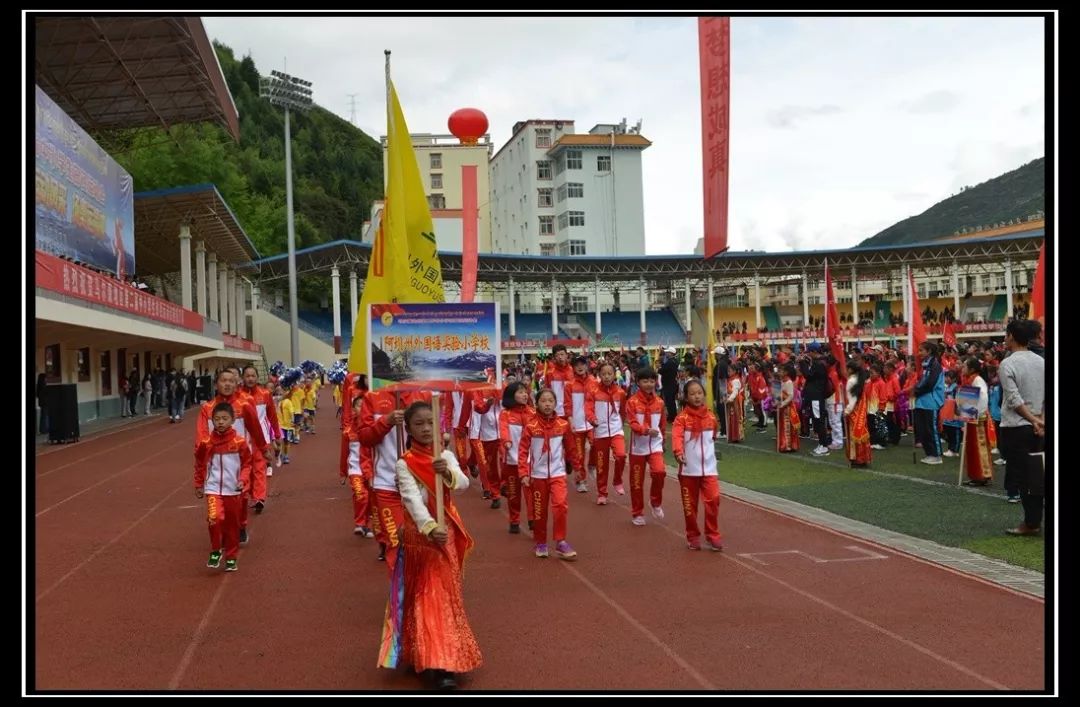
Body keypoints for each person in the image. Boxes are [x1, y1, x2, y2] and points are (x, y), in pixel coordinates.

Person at [378, 401, 482, 690]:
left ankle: (442, 658)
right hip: (420, 538)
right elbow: (411, 501)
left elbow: (462, 484)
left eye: (430, 423)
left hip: (445, 534)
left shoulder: (446, 455)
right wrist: (429, 527)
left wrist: (446, 472)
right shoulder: (404, 462)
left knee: (442, 596)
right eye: (419, 424)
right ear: (409, 429)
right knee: (422, 595)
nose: (426, 429)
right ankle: (431, 658)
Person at [518, 388, 580, 560]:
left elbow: (571, 448)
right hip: (537, 476)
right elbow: (523, 451)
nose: (547, 404)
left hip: (557, 474)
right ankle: (541, 542)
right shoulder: (531, 426)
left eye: (550, 401)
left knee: (560, 505)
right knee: (540, 511)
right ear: (537, 403)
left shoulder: (563, 425)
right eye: (543, 401)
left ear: (555, 404)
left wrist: (577, 469)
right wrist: (523, 473)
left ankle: (561, 541)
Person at [998, 320, 1045, 535]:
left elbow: (1013, 399)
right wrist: (1040, 419)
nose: (1005, 339)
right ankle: (1033, 520)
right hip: (1039, 425)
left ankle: (1031, 522)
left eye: (1007, 335)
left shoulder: (1007, 364)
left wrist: (1033, 419)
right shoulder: (1041, 361)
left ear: (1012, 337)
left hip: (1018, 427)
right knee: (1038, 474)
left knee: (1024, 477)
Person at [194, 402, 253, 572]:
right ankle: (215, 550)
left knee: (232, 525)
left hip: (233, 490)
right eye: (217, 419)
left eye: (225, 418)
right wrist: (198, 483)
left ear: (233, 420)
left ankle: (231, 557)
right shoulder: (206, 443)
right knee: (215, 518)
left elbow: (247, 464)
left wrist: (242, 480)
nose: (220, 422)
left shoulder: (239, 442)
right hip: (213, 489)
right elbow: (199, 463)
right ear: (212, 421)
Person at [671, 380, 723, 552]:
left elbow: (712, 438)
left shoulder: (711, 417)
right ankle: (692, 535)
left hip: (709, 469)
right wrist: (679, 453)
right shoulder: (681, 419)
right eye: (692, 394)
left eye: (699, 393)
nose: (697, 396)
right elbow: (677, 437)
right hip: (688, 470)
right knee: (690, 506)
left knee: (713, 499)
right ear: (686, 397)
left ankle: (712, 534)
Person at [626, 367, 667, 525]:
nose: (649, 384)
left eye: (651, 381)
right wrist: (645, 430)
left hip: (655, 445)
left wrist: (662, 442)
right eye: (645, 381)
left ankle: (655, 501)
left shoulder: (660, 402)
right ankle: (637, 513)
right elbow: (632, 423)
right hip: (638, 447)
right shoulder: (632, 402)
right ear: (638, 382)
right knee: (637, 482)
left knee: (659, 472)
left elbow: (662, 424)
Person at [586, 362, 627, 505]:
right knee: (602, 465)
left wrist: (620, 424)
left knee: (621, 455)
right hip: (600, 432)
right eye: (604, 374)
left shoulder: (620, 393)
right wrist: (592, 420)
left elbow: (623, 412)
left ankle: (617, 481)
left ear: (614, 375)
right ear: (599, 375)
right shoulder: (593, 391)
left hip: (616, 430)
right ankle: (602, 493)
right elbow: (589, 409)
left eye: (610, 373)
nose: (607, 377)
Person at [498, 382, 534, 535]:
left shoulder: (532, 413)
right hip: (512, 460)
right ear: (511, 395)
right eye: (520, 392)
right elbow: (503, 429)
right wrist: (506, 441)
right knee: (513, 493)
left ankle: (533, 520)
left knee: (530, 492)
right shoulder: (505, 414)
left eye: (525, 392)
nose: (524, 395)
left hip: (529, 461)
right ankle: (514, 520)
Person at [341, 393, 375, 537]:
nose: (362, 408)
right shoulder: (348, 432)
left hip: (372, 469)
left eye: (365, 406)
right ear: (353, 409)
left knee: (371, 499)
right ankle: (360, 523)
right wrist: (342, 473)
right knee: (361, 495)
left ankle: (365, 525)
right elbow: (344, 454)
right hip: (355, 469)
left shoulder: (374, 429)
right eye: (359, 405)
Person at [959, 357, 994, 486]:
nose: (962, 368)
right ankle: (975, 475)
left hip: (977, 418)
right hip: (972, 417)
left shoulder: (977, 381)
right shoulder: (971, 380)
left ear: (972, 369)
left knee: (979, 446)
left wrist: (975, 413)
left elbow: (983, 398)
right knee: (972, 447)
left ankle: (982, 475)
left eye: (965, 366)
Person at [565, 356, 597, 493]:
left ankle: (592, 464)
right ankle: (580, 480)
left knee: (596, 445)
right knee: (579, 455)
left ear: (587, 366)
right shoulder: (569, 385)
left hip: (592, 422)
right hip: (577, 424)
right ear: (573, 367)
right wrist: (570, 421)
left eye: (582, 364)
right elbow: (568, 405)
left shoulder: (595, 382)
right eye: (576, 364)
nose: (580, 367)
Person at [913, 342, 946, 465]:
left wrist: (916, 391)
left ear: (929, 352)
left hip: (931, 401)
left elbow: (930, 384)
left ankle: (936, 455)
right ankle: (929, 453)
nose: (919, 353)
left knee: (930, 429)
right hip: (922, 402)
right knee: (922, 429)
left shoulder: (935, 365)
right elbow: (922, 381)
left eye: (921, 350)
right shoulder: (925, 365)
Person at [843, 359, 872, 468]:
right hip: (860, 409)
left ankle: (857, 458)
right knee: (861, 433)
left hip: (854, 410)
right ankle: (863, 458)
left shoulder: (851, 381)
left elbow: (852, 399)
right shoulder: (860, 379)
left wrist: (847, 411)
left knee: (855, 434)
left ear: (850, 370)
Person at [776, 363, 800, 453]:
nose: (779, 372)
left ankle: (788, 445)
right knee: (782, 425)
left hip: (787, 407)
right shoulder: (781, 380)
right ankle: (784, 443)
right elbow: (777, 393)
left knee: (787, 426)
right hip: (782, 406)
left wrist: (783, 404)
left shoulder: (789, 382)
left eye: (781, 371)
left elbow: (790, 396)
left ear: (786, 372)